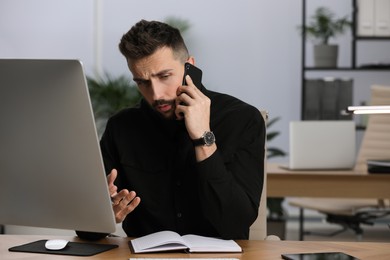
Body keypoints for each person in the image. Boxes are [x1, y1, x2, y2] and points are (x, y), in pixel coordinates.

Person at [77, 19, 265, 240]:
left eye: (164, 76)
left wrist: (203, 138)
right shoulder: (121, 128)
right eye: (142, 82)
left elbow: (235, 223)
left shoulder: (242, 119)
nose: (156, 94)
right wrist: (104, 217)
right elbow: (85, 229)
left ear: (190, 67)